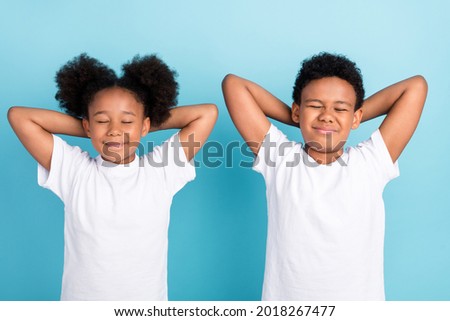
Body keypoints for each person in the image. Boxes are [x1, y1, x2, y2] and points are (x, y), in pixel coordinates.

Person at [8, 53, 218, 300]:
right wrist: (100, 131)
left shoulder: (161, 171)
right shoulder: (75, 172)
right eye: (102, 120)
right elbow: (19, 117)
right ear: (87, 126)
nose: (115, 130)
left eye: (126, 120)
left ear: (145, 125)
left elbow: (207, 113)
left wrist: (138, 129)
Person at [222, 52, 427, 300]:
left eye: (339, 108)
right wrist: (305, 118)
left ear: (356, 117)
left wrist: (343, 116)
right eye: (315, 106)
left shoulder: (370, 163)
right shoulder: (281, 160)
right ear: (297, 112)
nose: (327, 115)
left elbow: (415, 87)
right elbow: (234, 85)